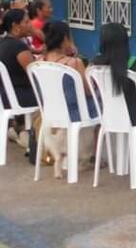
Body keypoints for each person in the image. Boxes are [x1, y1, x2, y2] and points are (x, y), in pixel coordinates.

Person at [40, 21, 97, 124]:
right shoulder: (74, 63)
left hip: (50, 111)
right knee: (99, 100)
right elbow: (88, 91)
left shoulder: (39, 63)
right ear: (65, 38)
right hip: (75, 113)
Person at [91, 23, 136, 126]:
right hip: (134, 118)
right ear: (125, 42)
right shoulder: (135, 64)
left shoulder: (95, 65)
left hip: (105, 114)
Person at [0, 10, 37, 150]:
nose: (30, 25)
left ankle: (18, 128)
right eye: (26, 22)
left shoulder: (3, 44)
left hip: (5, 96)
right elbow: (34, 75)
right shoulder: (19, 47)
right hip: (20, 97)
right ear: (16, 26)